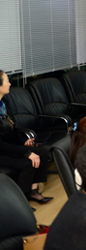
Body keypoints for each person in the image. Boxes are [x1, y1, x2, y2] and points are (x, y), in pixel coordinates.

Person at [0, 70, 53, 204]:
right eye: (7, 81)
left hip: (9, 148)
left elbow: (13, 128)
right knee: (28, 162)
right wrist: (26, 152)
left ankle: (33, 191)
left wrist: (24, 141)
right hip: (1, 152)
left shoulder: (4, 104)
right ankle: (21, 201)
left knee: (43, 151)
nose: (10, 84)